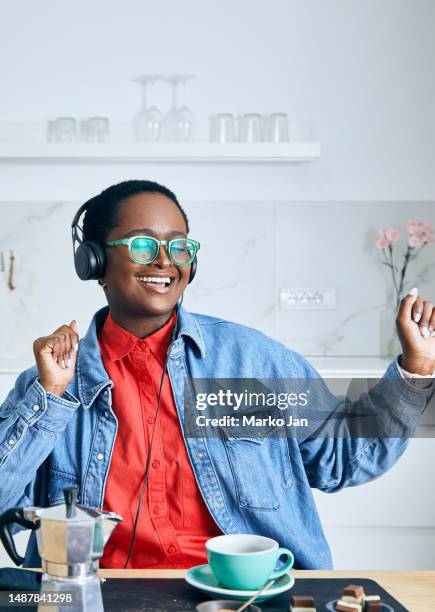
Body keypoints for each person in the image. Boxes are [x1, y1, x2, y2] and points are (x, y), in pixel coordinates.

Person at [0, 180, 434, 570]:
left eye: (179, 247)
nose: (165, 261)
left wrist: (415, 367)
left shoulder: (252, 361)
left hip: (249, 597)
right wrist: (50, 397)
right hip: (100, 597)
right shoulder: (53, 384)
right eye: (142, 246)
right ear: (93, 262)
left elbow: (341, 461)